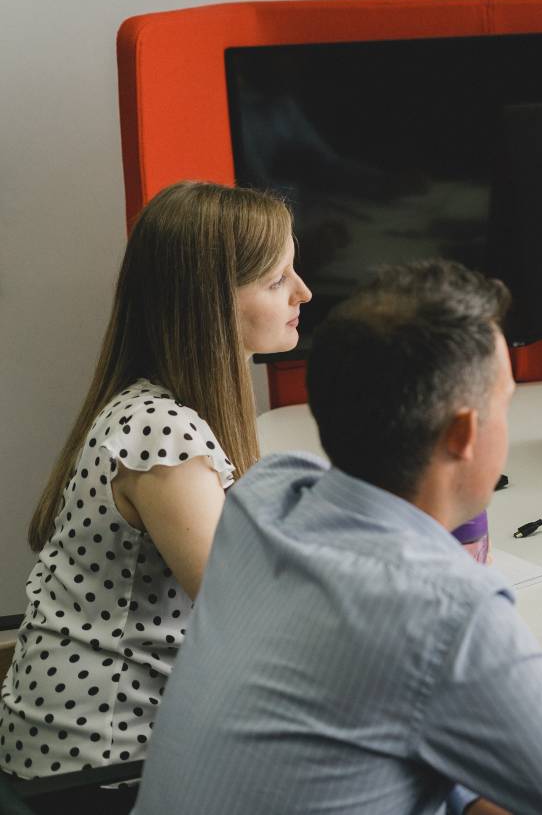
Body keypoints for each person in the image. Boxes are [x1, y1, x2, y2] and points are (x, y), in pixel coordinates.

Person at [133, 259, 542, 815]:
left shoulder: (265, 496)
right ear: (463, 435)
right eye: (506, 404)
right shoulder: (446, 613)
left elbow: (356, 713)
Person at [0, 182, 311, 809]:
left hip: (98, 742)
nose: (302, 292)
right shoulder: (163, 432)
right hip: (101, 769)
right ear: (213, 304)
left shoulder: (156, 408)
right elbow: (249, 613)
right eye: (278, 279)